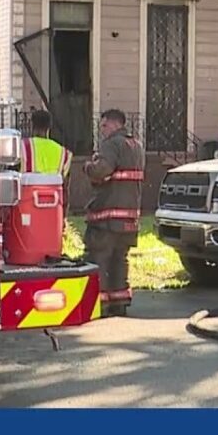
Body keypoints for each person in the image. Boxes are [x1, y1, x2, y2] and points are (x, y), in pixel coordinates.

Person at [82, 108, 144, 316]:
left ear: (116, 124)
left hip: (107, 218)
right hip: (129, 219)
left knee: (99, 259)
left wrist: (88, 167)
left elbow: (101, 170)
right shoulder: (136, 146)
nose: (102, 130)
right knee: (120, 260)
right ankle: (120, 303)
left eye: (104, 125)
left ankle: (100, 305)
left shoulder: (112, 144)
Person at [20, 110, 73, 179]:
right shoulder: (63, 153)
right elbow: (65, 180)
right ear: (50, 126)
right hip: (54, 186)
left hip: (28, 185)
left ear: (32, 125)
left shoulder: (22, 146)